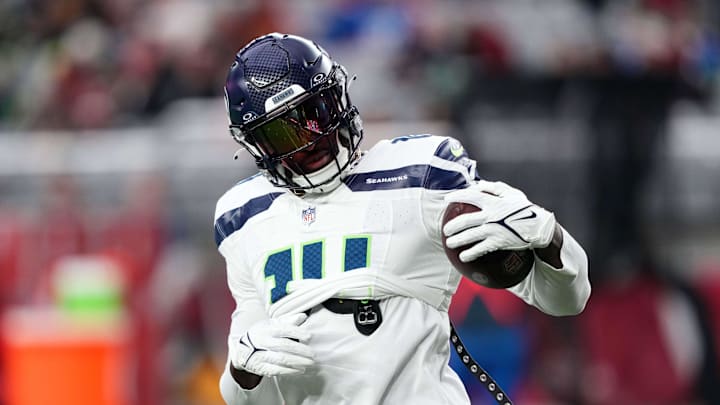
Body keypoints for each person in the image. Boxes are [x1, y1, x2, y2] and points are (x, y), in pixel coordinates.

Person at [214, 33, 591, 405]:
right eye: (281, 134)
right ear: (255, 145)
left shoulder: (422, 174)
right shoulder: (243, 216)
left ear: (338, 98)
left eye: (313, 116)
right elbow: (244, 396)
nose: (308, 142)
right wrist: (241, 371)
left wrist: (548, 237)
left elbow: (565, 299)